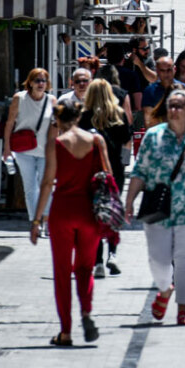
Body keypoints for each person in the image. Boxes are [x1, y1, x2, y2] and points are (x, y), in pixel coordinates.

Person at [125, 89, 185, 326]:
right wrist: (128, 202)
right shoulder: (153, 136)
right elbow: (140, 171)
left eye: (179, 105)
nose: (174, 110)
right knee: (158, 259)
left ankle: (183, 309)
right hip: (158, 207)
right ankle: (164, 288)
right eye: (171, 105)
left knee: (184, 258)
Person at [30, 99, 110, 346]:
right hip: (89, 211)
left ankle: (65, 331)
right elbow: (108, 175)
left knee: (62, 272)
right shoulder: (96, 141)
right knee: (85, 268)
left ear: (58, 121)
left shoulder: (55, 145)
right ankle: (86, 312)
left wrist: (36, 220)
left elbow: (46, 183)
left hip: (62, 211)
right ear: (79, 117)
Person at [80, 79, 133, 278]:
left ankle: (98, 262)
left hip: (91, 171)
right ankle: (112, 253)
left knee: (94, 217)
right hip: (114, 171)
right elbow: (127, 138)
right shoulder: (118, 114)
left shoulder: (84, 116)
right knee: (111, 214)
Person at [4, 68, 58, 224]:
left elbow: (56, 126)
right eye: (37, 80)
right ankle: (35, 220)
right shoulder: (19, 98)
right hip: (23, 151)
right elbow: (9, 124)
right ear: (30, 82)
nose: (41, 84)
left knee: (47, 186)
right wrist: (7, 148)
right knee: (30, 188)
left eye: (44, 81)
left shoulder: (52, 100)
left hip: (45, 151)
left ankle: (46, 220)